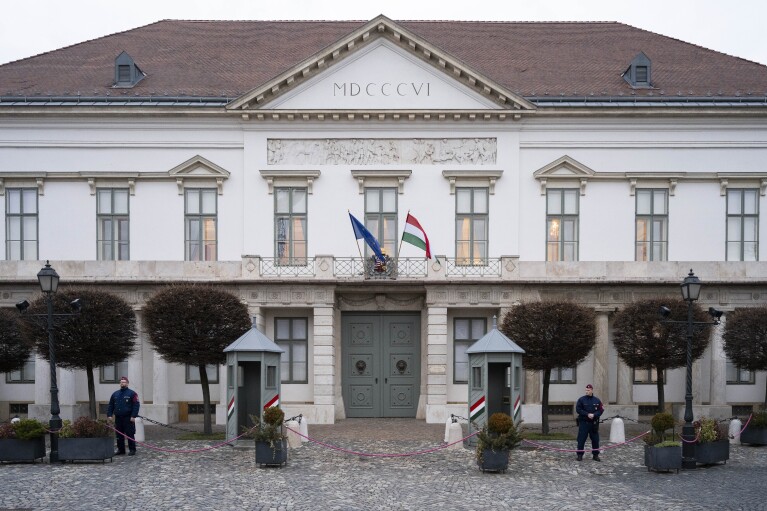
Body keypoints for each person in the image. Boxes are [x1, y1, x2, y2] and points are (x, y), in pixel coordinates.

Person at [107, 376, 140, 456]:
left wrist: (133, 416)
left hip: (128, 418)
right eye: (121, 382)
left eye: (124, 382)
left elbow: (136, 405)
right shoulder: (115, 394)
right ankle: (121, 450)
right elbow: (111, 405)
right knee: (119, 435)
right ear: (120, 383)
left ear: (127, 383)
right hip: (118, 418)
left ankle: (132, 449)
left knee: (130, 434)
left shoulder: (132, 393)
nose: (123, 383)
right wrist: (109, 415)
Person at [575, 383, 603, 461]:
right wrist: (587, 414)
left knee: (595, 440)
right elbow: (578, 409)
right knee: (581, 439)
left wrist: (594, 415)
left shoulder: (597, 400)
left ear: (592, 390)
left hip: (593, 424)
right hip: (584, 423)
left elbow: (601, 410)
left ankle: (595, 455)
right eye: (586, 390)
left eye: (588, 390)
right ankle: (580, 455)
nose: (587, 391)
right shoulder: (581, 400)